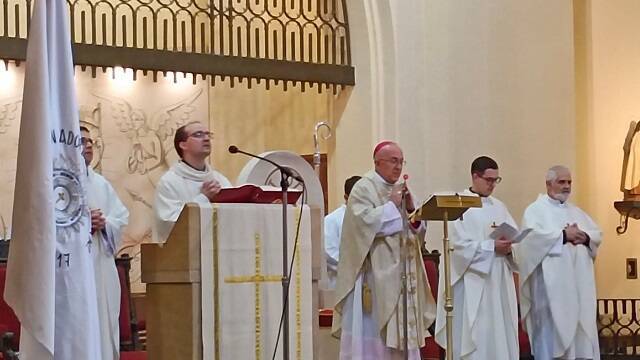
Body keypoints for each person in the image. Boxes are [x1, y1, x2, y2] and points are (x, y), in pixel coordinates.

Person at [332, 141, 436, 359]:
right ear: (377, 162)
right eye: (393, 161)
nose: (398, 167)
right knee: (376, 342)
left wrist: (409, 208)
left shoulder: (401, 189)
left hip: (404, 276)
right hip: (375, 278)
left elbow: (416, 228)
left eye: (401, 161)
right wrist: (391, 206)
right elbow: (362, 225)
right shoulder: (363, 188)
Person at [434, 156, 519, 359]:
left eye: (496, 180)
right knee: (476, 339)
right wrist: (491, 247)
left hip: (498, 282)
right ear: (475, 176)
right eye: (489, 179)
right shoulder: (458, 204)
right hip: (473, 284)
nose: (492, 185)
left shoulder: (499, 207)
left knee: (499, 335)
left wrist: (510, 249)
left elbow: (516, 239)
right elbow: (458, 248)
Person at [516, 165, 602, 359]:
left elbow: (596, 234)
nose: (566, 186)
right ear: (548, 184)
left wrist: (585, 238)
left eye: (569, 182)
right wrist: (563, 235)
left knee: (580, 342)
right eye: (561, 182)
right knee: (551, 341)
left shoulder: (577, 212)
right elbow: (529, 241)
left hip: (579, 288)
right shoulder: (535, 211)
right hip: (549, 293)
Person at [81, 126, 130, 360]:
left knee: (104, 322)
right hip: (75, 268)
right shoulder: (55, 182)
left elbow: (120, 217)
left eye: (90, 141)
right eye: (81, 141)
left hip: (101, 264)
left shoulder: (101, 183)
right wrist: (83, 224)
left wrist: (104, 223)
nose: (89, 146)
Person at [153, 122, 232, 243]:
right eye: (198, 134)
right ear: (183, 145)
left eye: (208, 134)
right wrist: (203, 198)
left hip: (219, 249)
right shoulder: (169, 182)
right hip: (184, 254)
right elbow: (168, 223)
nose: (206, 138)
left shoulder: (220, 180)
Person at [324, 175, 361, 289]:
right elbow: (329, 253)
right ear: (346, 197)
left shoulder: (369, 217)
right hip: (342, 282)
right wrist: (355, 266)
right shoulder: (332, 219)